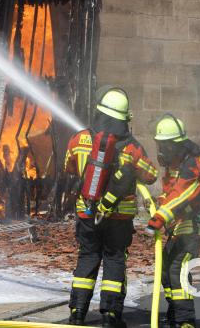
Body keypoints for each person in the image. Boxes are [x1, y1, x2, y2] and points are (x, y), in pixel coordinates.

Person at [64, 86, 159, 327]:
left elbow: (69, 166)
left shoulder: (80, 139)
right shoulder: (132, 147)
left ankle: (77, 313)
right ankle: (110, 315)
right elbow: (151, 175)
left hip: (87, 212)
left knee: (87, 257)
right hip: (119, 218)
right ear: (125, 118)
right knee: (115, 260)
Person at [144, 114, 200, 328]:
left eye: (164, 145)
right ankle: (175, 314)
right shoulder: (177, 163)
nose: (161, 150)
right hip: (184, 222)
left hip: (197, 223)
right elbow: (171, 194)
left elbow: (182, 194)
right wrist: (158, 203)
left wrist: (159, 218)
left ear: (175, 144)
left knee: (178, 267)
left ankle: (185, 321)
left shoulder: (195, 163)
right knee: (166, 267)